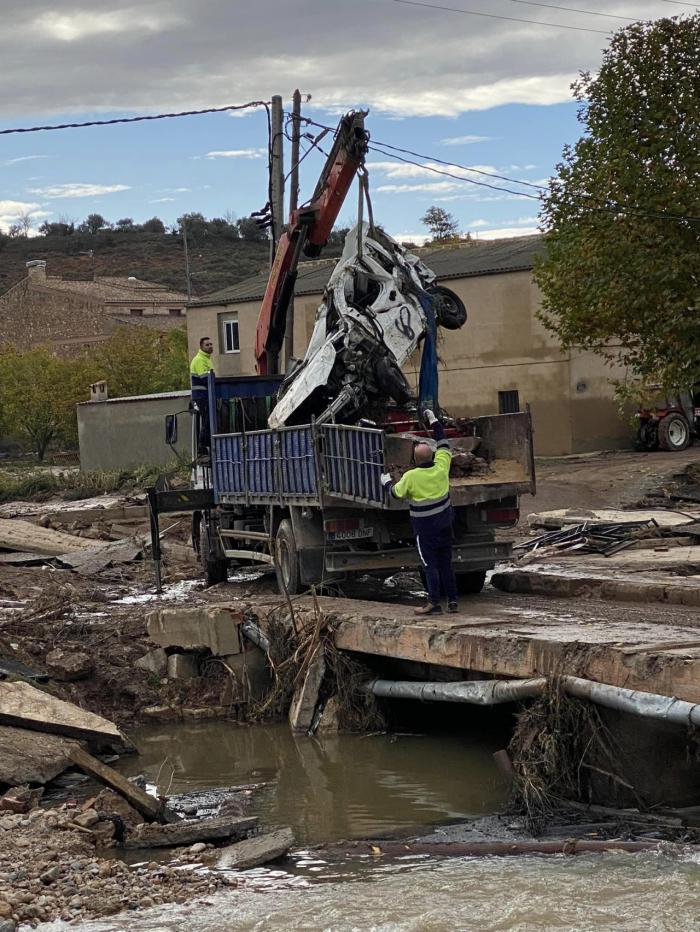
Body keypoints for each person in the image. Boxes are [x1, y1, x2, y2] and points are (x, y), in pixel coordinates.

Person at [381, 410, 458, 615]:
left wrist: (386, 482)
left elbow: (396, 494)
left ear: (414, 461)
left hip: (425, 533)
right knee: (446, 565)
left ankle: (434, 603)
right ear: (433, 455)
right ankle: (452, 601)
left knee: (430, 565)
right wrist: (434, 422)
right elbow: (442, 442)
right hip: (444, 528)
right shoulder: (442, 468)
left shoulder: (411, 477)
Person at [190, 337, 214, 455]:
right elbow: (206, 379)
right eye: (207, 345)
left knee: (208, 420)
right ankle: (202, 448)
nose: (210, 346)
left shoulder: (206, 359)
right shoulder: (200, 359)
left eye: (211, 344)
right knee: (207, 421)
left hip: (204, 395)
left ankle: (207, 445)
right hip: (201, 395)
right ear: (201, 347)